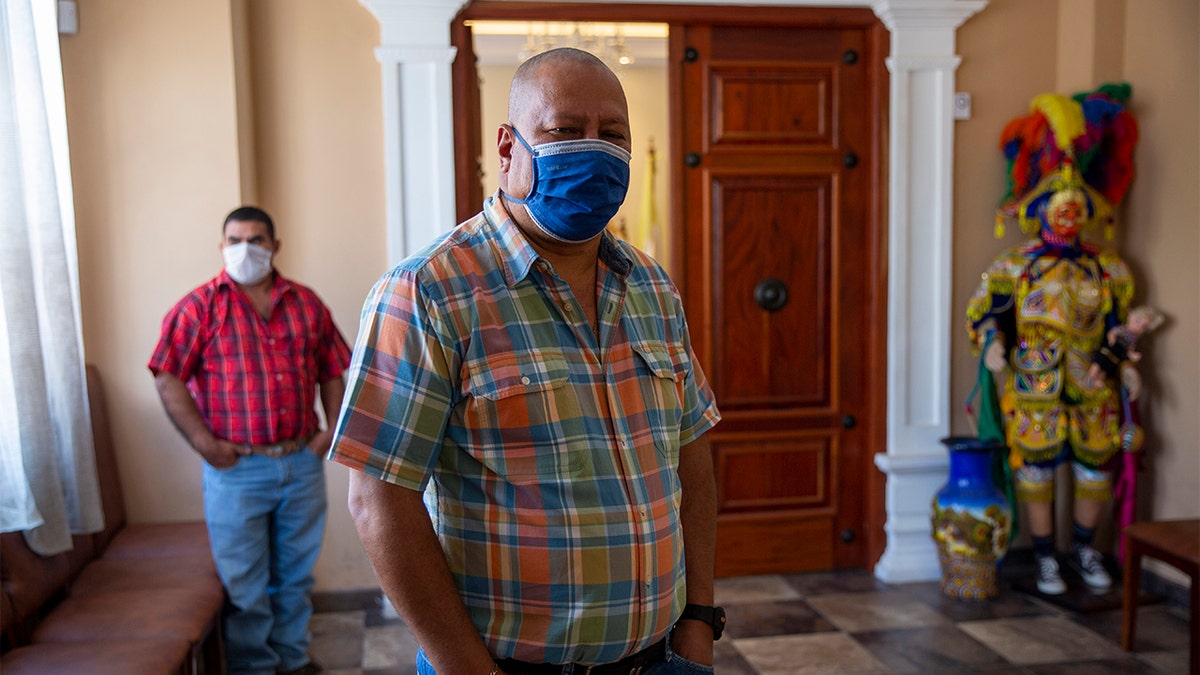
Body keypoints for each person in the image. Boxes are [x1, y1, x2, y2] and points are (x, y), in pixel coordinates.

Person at [328, 48, 723, 674]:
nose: (594, 150)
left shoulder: (652, 286)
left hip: (661, 659)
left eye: (612, 135)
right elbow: (379, 499)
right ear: (508, 148)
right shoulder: (427, 292)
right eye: (565, 131)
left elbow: (691, 451)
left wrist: (699, 621)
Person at [149, 206, 351, 675]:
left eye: (256, 239)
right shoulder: (199, 307)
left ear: (275, 246)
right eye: (235, 240)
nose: (246, 249)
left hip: (300, 461)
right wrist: (205, 444)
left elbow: (333, 368)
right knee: (244, 586)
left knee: (296, 577)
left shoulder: (305, 303)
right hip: (236, 469)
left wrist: (330, 432)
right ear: (222, 247)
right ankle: (255, 669)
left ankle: (293, 661)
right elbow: (166, 374)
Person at [1086, 305, 1163, 389]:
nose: (1139, 326)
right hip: (1111, 348)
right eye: (1138, 320)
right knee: (1100, 361)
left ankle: (1098, 379)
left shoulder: (1134, 339)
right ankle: (1091, 375)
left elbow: (1130, 348)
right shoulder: (1123, 329)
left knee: (1108, 369)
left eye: (1144, 327)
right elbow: (1113, 332)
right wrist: (1112, 338)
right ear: (1130, 316)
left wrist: (1132, 354)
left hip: (1118, 354)